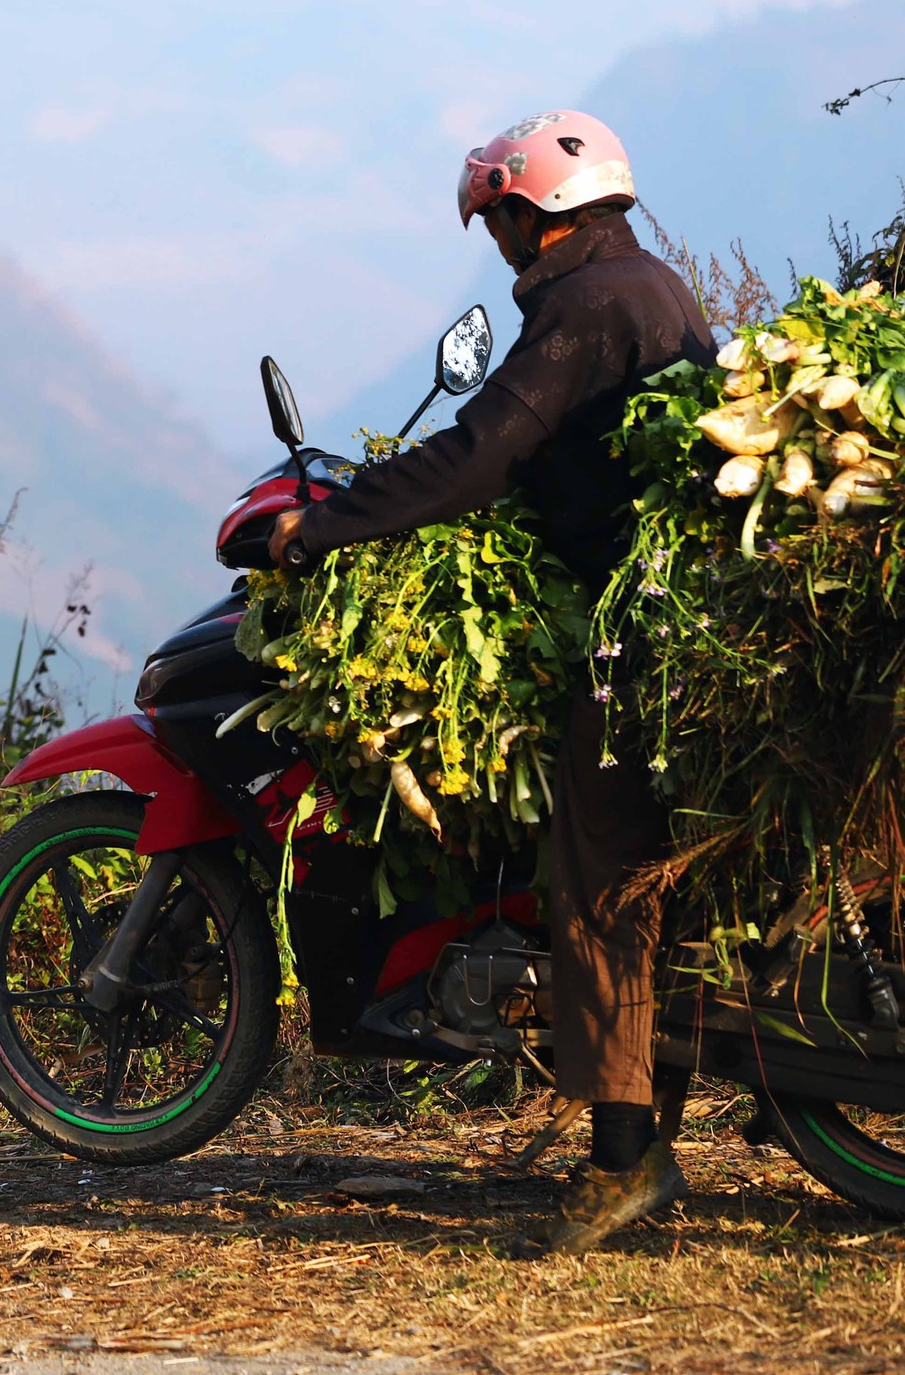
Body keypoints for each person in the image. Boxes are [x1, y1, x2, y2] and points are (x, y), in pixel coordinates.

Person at [268, 111, 714, 1254]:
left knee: (599, 875)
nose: (503, 248)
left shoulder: (582, 303)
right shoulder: (651, 281)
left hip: (634, 626)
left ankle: (624, 1164)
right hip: (671, 602)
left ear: (533, 212)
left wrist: (326, 526)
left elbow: (481, 451)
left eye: (503, 223)